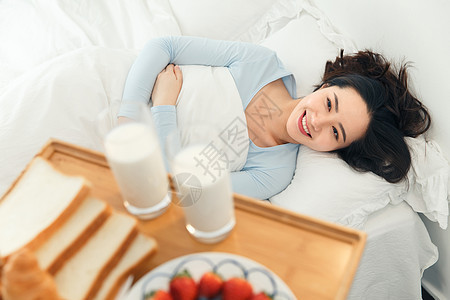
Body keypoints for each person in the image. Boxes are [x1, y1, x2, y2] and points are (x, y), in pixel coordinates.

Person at [118, 36, 431, 200]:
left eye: (335, 133)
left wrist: (164, 106)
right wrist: (127, 121)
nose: (317, 121)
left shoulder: (274, 173)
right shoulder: (261, 64)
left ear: (338, 149)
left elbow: (183, 187)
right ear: (325, 86)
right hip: (121, 89)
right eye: (328, 103)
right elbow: (163, 46)